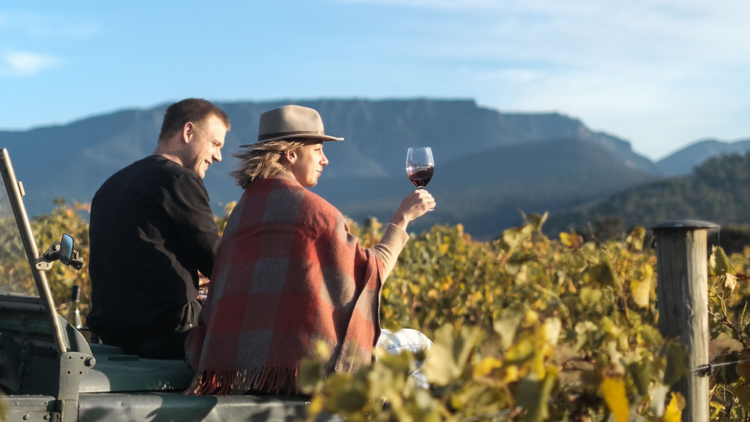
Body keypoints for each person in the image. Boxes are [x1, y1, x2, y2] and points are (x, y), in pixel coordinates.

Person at [185, 105, 434, 395]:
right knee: (418, 345)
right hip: (306, 364)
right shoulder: (316, 214)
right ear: (291, 154)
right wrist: (402, 219)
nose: (325, 160)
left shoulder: (241, 214)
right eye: (317, 150)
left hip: (238, 363)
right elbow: (371, 274)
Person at [87, 98, 230, 359]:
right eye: (215, 144)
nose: (218, 156)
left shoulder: (110, 185)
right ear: (188, 132)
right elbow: (218, 261)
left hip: (111, 330)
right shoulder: (178, 179)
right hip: (167, 331)